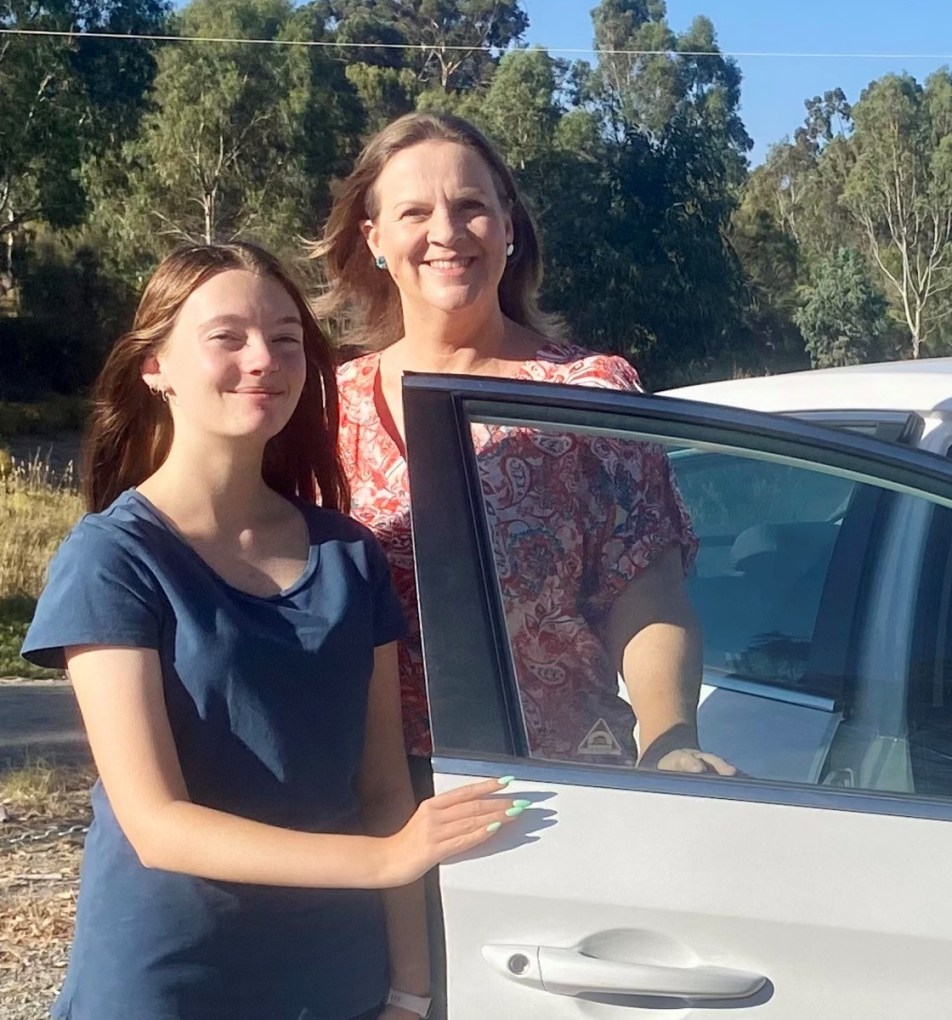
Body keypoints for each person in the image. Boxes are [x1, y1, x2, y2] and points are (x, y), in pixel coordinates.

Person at [22, 242, 522, 1020]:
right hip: (170, 982)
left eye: (286, 340)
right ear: (156, 366)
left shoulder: (348, 553)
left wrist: (410, 991)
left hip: (335, 982)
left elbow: (384, 787)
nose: (264, 360)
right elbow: (158, 826)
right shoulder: (113, 557)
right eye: (227, 337)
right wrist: (389, 860)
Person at [314, 111, 735, 780]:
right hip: (364, 799)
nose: (447, 232)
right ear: (374, 240)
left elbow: (648, 596)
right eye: (415, 212)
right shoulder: (326, 410)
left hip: (554, 792)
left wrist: (669, 739)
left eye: (471, 206)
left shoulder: (588, 393)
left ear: (508, 227)